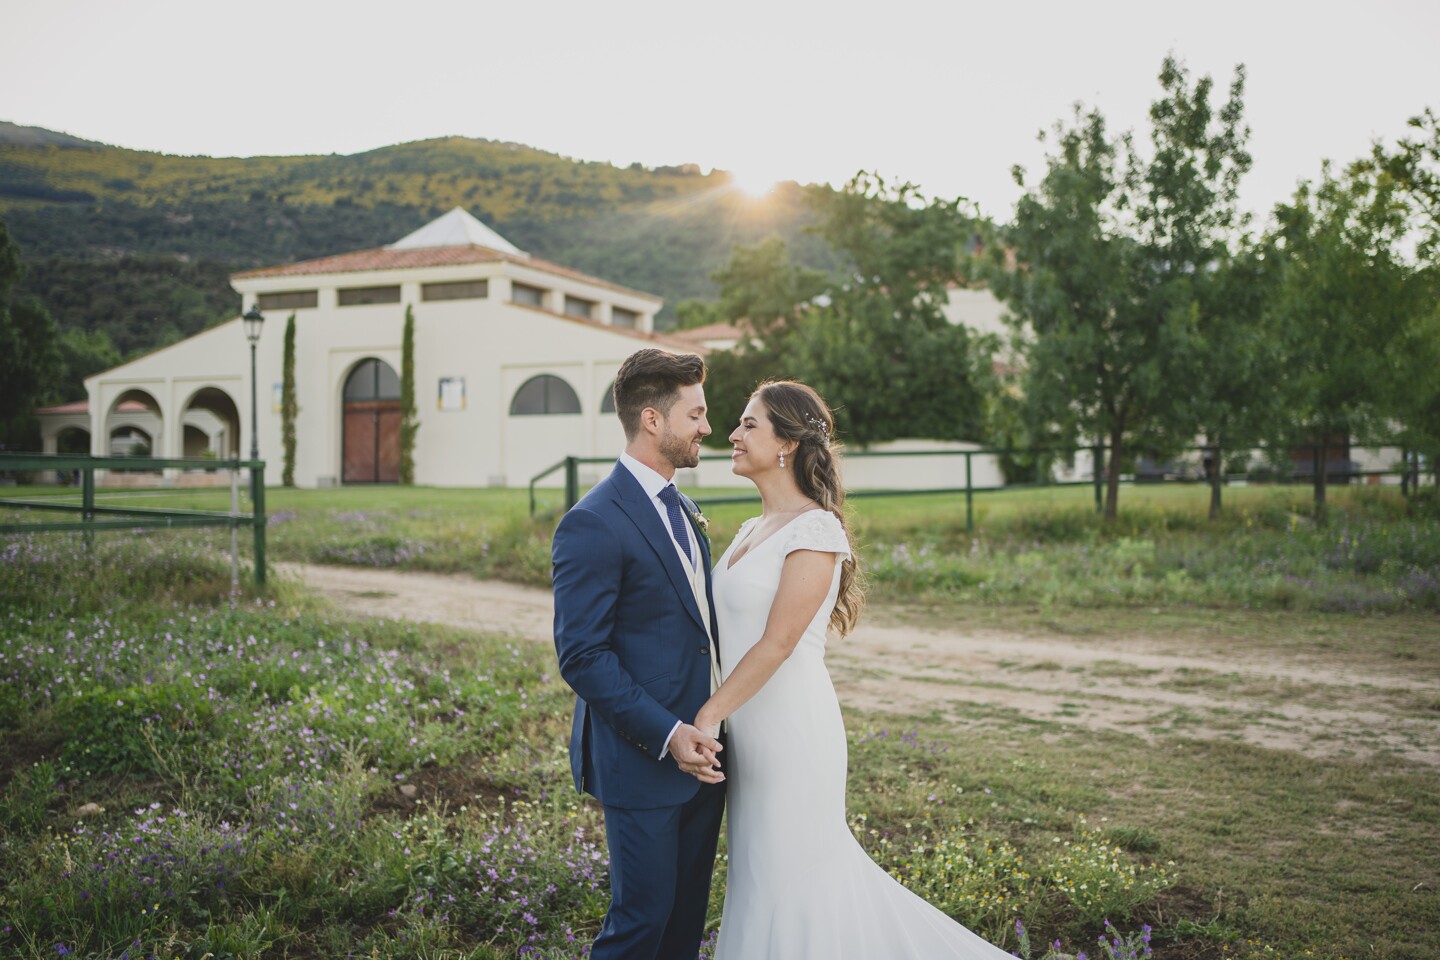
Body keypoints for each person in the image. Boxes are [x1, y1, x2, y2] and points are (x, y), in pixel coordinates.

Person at [694, 380, 1014, 959]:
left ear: (787, 443)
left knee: (798, 876)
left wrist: (709, 715)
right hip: (749, 729)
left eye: (749, 424)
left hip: (791, 732)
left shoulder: (816, 529)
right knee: (761, 874)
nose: (732, 434)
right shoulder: (749, 529)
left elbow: (779, 642)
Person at [551, 348, 726, 960]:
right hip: (644, 757)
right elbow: (582, 655)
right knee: (639, 925)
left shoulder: (682, 505)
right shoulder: (593, 521)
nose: (708, 427)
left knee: (683, 925)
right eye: (695, 414)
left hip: (705, 757)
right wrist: (669, 733)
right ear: (653, 420)